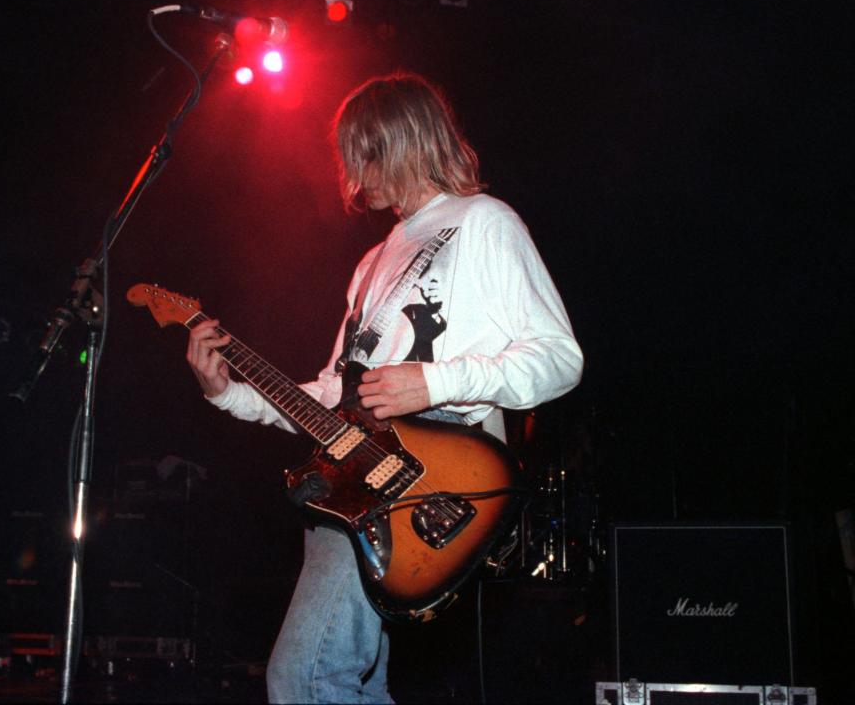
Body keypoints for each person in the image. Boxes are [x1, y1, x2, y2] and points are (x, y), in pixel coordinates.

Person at [186, 72, 583, 704]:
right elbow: (333, 398)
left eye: (359, 153)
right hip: (348, 484)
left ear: (397, 141)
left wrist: (434, 381)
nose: (349, 174)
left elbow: (560, 359)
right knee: (352, 685)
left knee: (306, 679)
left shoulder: (482, 222)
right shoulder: (371, 265)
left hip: (433, 466)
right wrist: (228, 392)